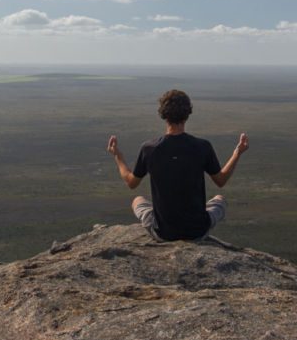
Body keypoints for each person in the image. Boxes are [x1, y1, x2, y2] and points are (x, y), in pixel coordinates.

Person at [106, 89, 249, 241]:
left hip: (163, 234)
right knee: (219, 199)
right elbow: (221, 180)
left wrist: (118, 156)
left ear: (163, 114)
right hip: (197, 232)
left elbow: (131, 182)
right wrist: (237, 153)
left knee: (138, 200)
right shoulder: (202, 146)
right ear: (187, 114)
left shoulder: (149, 149)